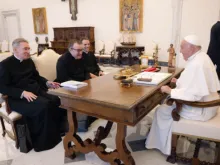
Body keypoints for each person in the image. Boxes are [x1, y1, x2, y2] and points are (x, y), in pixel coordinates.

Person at [145, 35, 220, 155]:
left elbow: (192, 96)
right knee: (165, 105)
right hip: (211, 105)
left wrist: (170, 90)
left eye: (182, 47)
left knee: (161, 110)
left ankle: (160, 145)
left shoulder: (196, 64)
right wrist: (179, 82)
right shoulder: (202, 57)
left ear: (192, 48)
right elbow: (195, 84)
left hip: (201, 110)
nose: (180, 50)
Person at [0, 38, 65, 152]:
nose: (28, 51)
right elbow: (3, 87)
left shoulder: (29, 61)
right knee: (43, 106)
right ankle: (43, 142)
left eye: (28, 48)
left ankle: (56, 132)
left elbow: (36, 77)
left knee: (55, 100)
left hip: (35, 91)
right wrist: (22, 93)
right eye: (25, 49)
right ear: (15, 50)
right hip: (17, 98)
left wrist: (47, 82)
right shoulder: (5, 65)